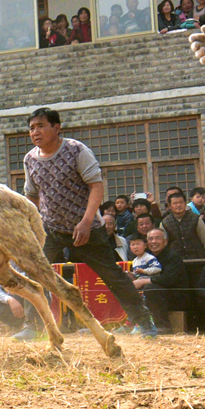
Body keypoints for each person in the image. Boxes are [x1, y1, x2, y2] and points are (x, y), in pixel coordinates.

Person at [23, 108, 157, 337]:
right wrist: (35, 223)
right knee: (36, 272)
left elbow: (96, 186)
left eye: (41, 126)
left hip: (87, 230)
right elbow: (32, 195)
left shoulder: (77, 150)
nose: (35, 132)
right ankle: (33, 327)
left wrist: (85, 222)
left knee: (112, 275)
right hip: (51, 230)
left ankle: (144, 322)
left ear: (56, 127)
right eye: (32, 128)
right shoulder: (30, 159)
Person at [134, 229, 189, 334]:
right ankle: (132, 325)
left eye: (157, 238)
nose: (153, 241)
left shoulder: (173, 257)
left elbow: (168, 279)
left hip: (176, 296)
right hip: (155, 295)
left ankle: (163, 326)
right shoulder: (145, 257)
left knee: (150, 288)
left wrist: (143, 281)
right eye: (150, 239)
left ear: (165, 241)